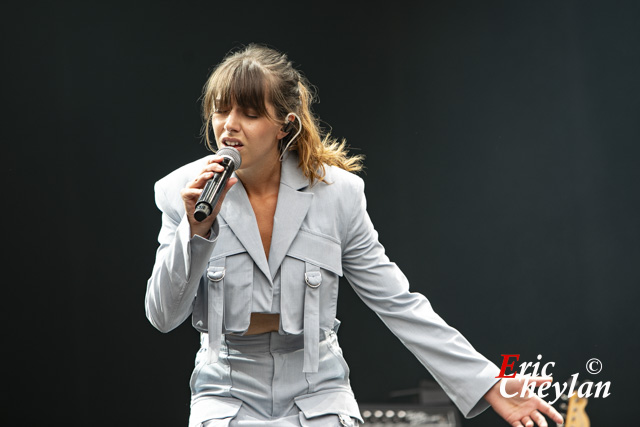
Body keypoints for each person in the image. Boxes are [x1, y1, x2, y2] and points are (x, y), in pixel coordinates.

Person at [145, 43, 564, 427]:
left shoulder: (337, 194)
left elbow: (397, 302)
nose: (229, 126)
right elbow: (164, 316)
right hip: (227, 391)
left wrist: (487, 382)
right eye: (221, 111)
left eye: (250, 114)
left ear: (284, 125)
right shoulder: (179, 192)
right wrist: (194, 230)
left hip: (318, 390)